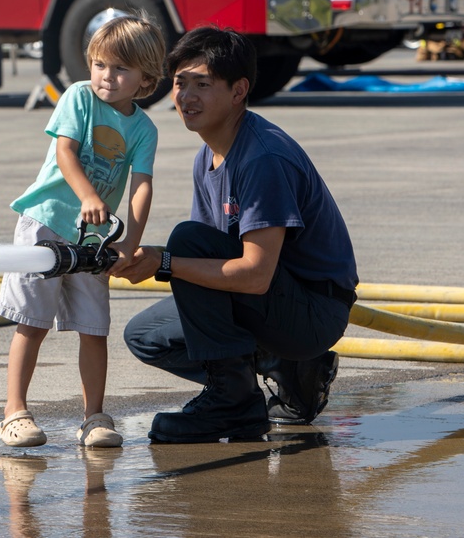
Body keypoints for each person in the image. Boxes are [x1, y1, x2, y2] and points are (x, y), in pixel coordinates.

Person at [117, 26, 357, 444]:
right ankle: (278, 368)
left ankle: (235, 400)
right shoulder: (206, 156)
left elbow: (255, 274)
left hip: (312, 311)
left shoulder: (262, 157)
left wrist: (165, 262)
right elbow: (211, 271)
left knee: (185, 244)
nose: (186, 97)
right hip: (271, 303)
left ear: (238, 90)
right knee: (146, 337)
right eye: (180, 83)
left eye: (202, 85)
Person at [0, 14, 165, 448]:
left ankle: (94, 417)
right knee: (31, 322)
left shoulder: (144, 128)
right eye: (100, 65)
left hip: (93, 241)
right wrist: (89, 196)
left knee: (94, 328)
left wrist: (130, 241)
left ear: (146, 77)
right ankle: (14, 411)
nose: (107, 77)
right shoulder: (78, 98)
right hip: (46, 223)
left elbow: (142, 186)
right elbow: (66, 153)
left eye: (120, 68)